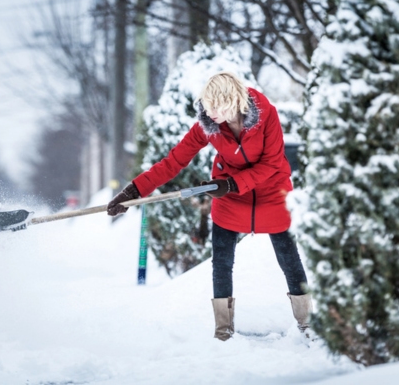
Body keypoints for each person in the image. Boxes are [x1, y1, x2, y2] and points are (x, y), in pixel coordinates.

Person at [107, 71, 311, 341]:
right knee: (222, 262)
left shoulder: (266, 114)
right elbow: (173, 161)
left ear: (233, 101)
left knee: (288, 258)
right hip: (229, 193)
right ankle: (223, 331)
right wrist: (133, 192)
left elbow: (273, 163)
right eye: (207, 104)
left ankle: (307, 324)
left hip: (271, 190)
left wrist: (232, 184)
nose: (209, 111)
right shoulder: (208, 124)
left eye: (216, 106)